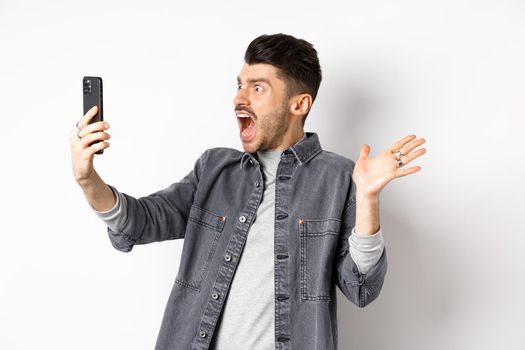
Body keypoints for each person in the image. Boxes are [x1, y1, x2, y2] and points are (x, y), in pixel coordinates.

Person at [69, 33, 426, 350]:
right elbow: (140, 222)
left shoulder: (338, 178)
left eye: (257, 88)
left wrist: (367, 199)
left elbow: (361, 287)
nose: (239, 98)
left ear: (299, 104)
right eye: (239, 85)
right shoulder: (213, 169)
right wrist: (88, 180)